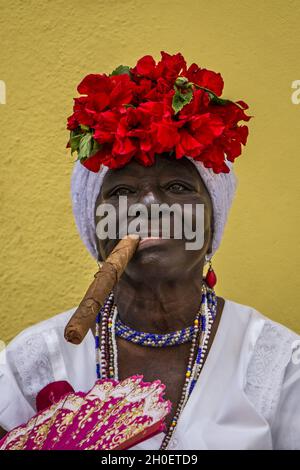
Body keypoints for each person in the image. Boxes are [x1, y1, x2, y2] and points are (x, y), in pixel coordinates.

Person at [0, 52, 299, 450]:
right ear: (95, 228)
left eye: (178, 187)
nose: (150, 205)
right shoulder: (29, 362)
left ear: (212, 223)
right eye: (123, 191)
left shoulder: (280, 362)